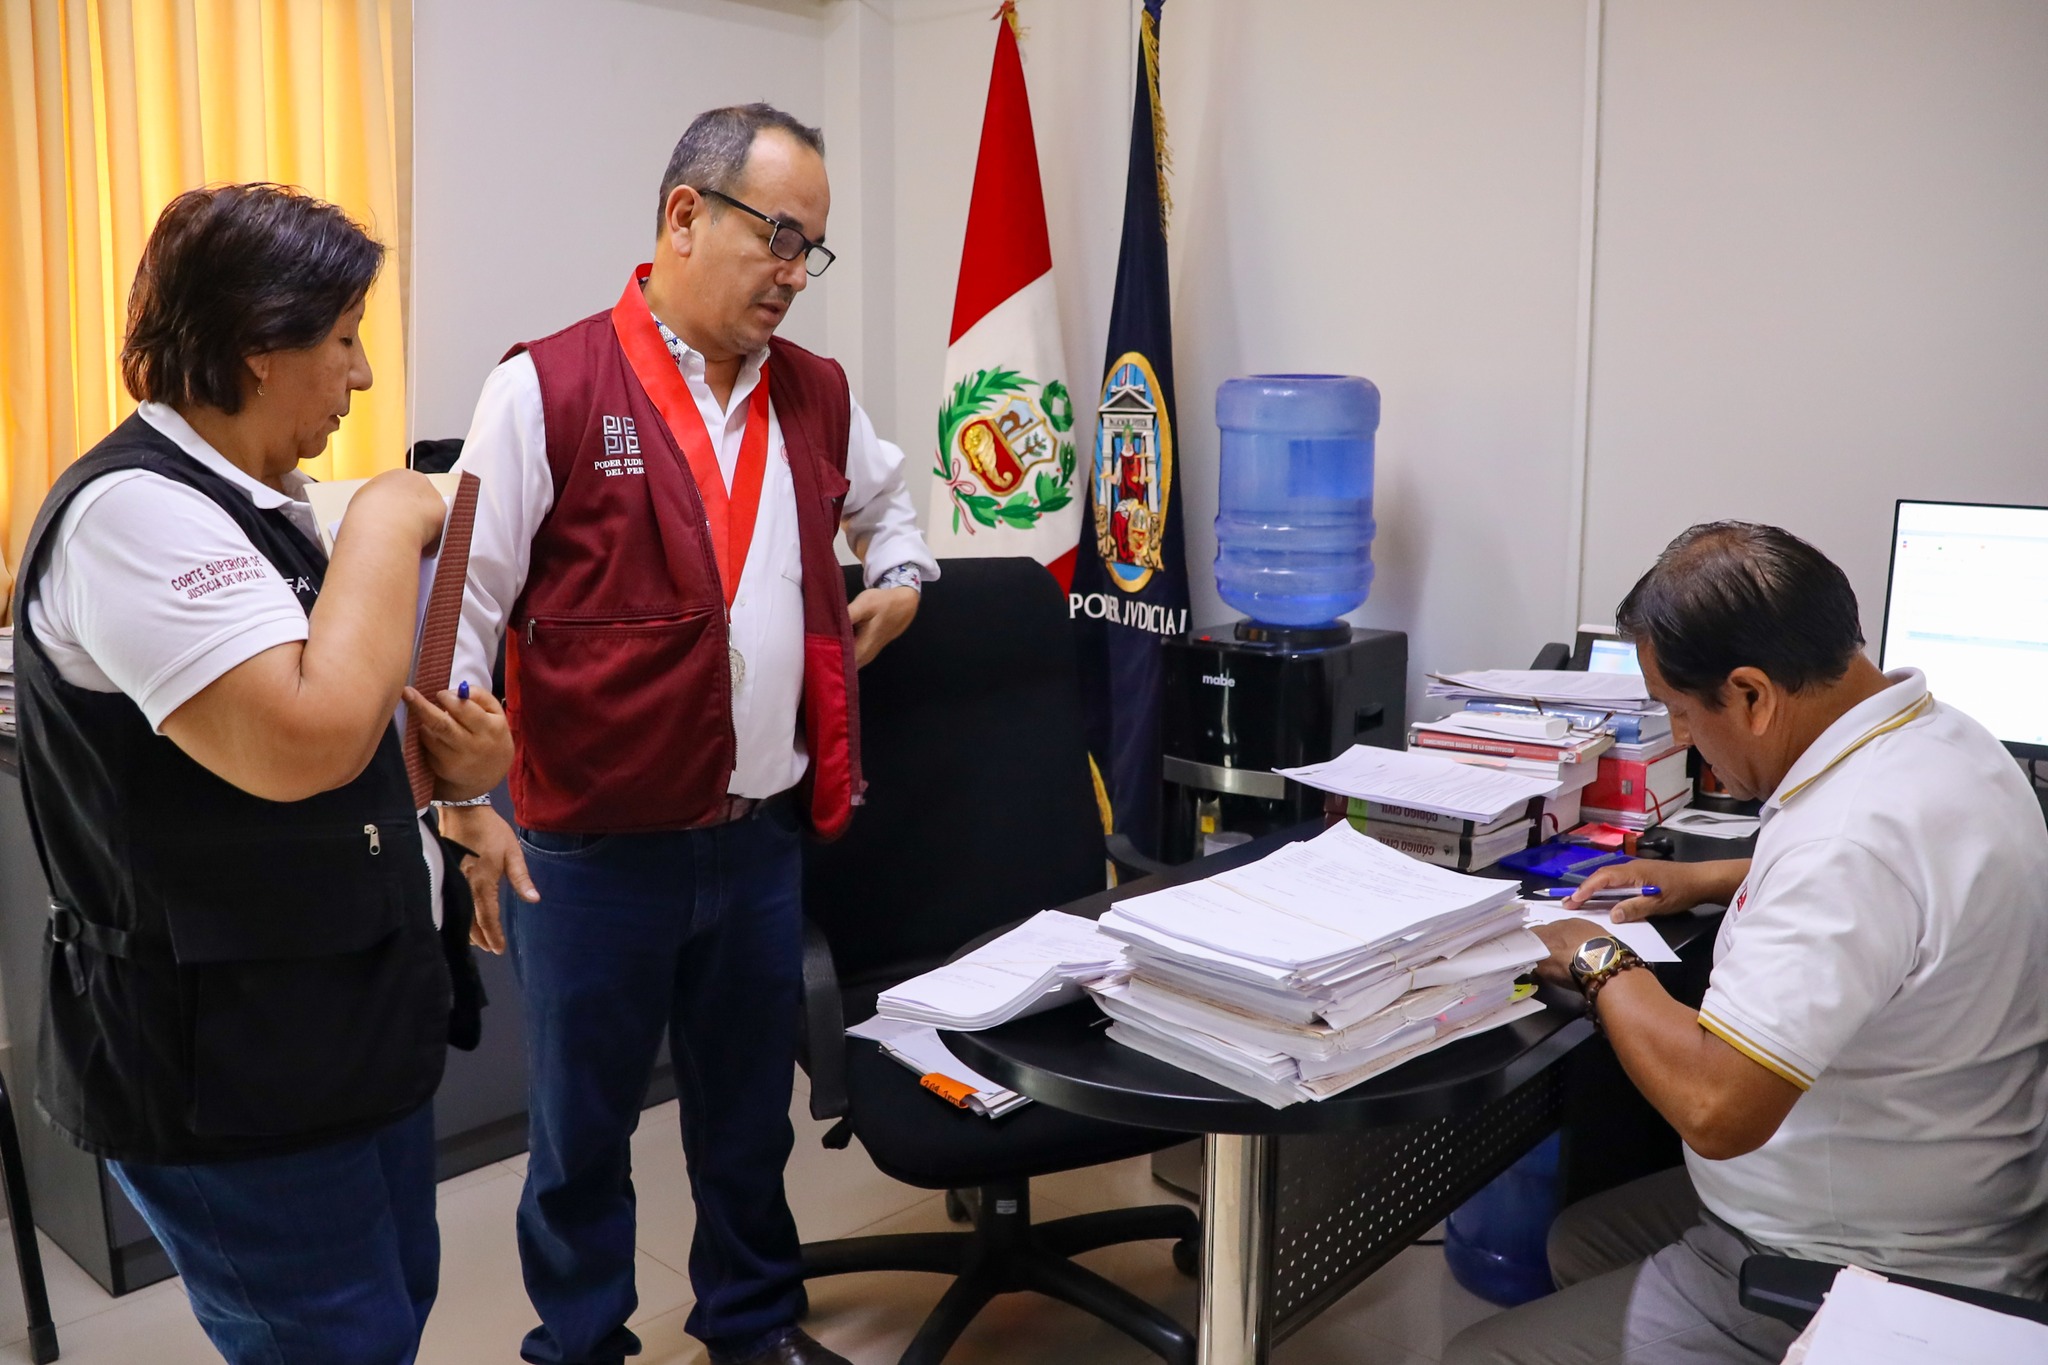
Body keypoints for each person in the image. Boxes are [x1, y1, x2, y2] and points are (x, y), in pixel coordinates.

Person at [440, 103, 937, 1365]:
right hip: (591, 853)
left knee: (742, 1124)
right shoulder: (546, 385)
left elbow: (893, 503)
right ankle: (583, 1342)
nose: (793, 273)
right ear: (682, 215)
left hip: (758, 840)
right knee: (580, 1134)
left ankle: (752, 1325)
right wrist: (462, 812)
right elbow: (463, 605)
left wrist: (905, 576)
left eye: (811, 250)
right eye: (780, 237)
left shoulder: (814, 395)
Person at [10, 184, 514, 1363]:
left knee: (387, 1311)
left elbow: (351, 746)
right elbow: (300, 743)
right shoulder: (132, 514)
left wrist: (462, 781)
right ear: (258, 341)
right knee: (329, 1340)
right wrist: (394, 516)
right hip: (225, 1063)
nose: (362, 377)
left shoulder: (269, 507)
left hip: (339, 1024)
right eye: (342, 341)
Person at [1446, 522, 2048, 1365]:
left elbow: (1716, 1109)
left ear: (1754, 695)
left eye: (1681, 712)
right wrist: (1716, 875)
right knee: (1580, 1237)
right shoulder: (1951, 742)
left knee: (1478, 1355)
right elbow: (1904, 883)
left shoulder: (1844, 846)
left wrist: (1597, 958)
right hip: (1968, 1204)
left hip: (1873, 1268)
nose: (1683, 738)